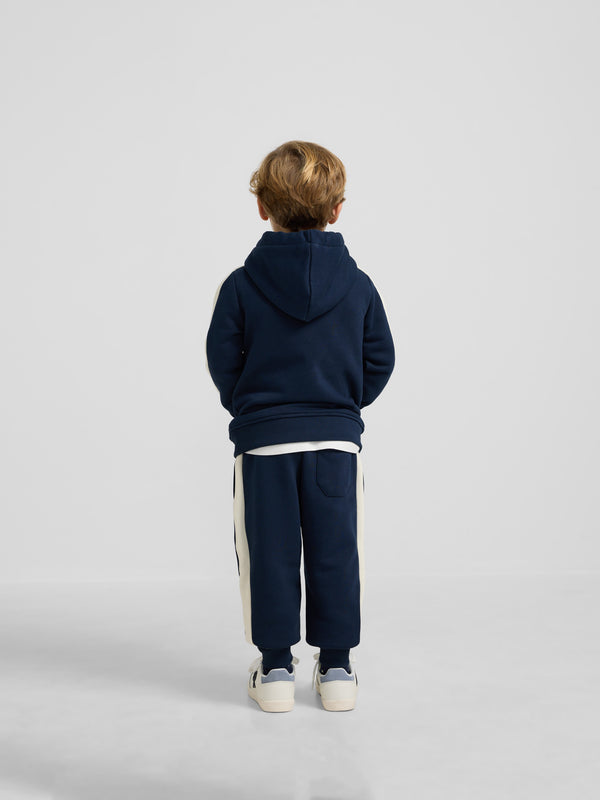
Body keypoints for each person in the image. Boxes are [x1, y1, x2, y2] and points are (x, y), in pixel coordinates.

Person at [205, 140, 395, 712]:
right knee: (337, 550)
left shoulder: (241, 285)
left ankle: (275, 670)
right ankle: (336, 670)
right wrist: (341, 407)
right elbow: (380, 358)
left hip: (264, 445)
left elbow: (222, 359)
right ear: (336, 209)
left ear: (262, 206)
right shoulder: (358, 285)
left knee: (268, 553)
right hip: (335, 444)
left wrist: (252, 410)